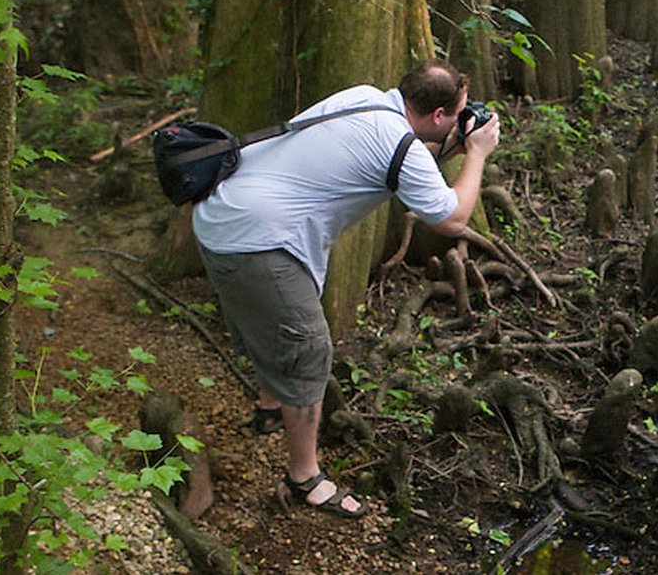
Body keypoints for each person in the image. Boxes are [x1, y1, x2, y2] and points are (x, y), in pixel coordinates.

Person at [191, 59, 501, 518]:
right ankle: (304, 478)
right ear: (438, 117)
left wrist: (447, 146)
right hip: (257, 242)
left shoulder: (364, 97)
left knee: (268, 318)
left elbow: (381, 160)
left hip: (220, 213)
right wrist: (475, 154)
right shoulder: (402, 147)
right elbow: (453, 218)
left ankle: (270, 404)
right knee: (309, 347)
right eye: (457, 115)